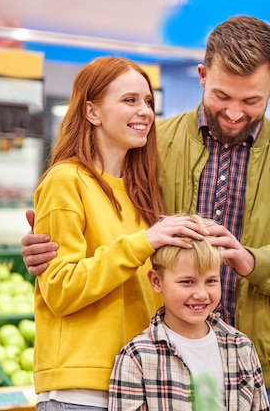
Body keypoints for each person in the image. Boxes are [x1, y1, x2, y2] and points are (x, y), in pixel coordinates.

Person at [21, 15, 270, 411]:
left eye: (251, 101)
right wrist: (45, 248)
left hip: (257, 370)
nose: (235, 113)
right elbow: (100, 231)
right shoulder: (151, 145)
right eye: (223, 96)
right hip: (160, 371)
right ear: (203, 75)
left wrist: (251, 260)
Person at [31, 56, 206, 411]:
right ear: (92, 111)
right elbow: (61, 289)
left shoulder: (141, 193)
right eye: (129, 100)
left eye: (148, 102)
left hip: (138, 385)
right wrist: (146, 242)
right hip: (81, 392)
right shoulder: (66, 181)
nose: (144, 111)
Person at [109, 214, 270, 411]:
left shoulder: (241, 347)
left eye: (211, 281)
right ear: (156, 281)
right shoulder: (136, 356)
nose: (201, 294)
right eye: (187, 282)